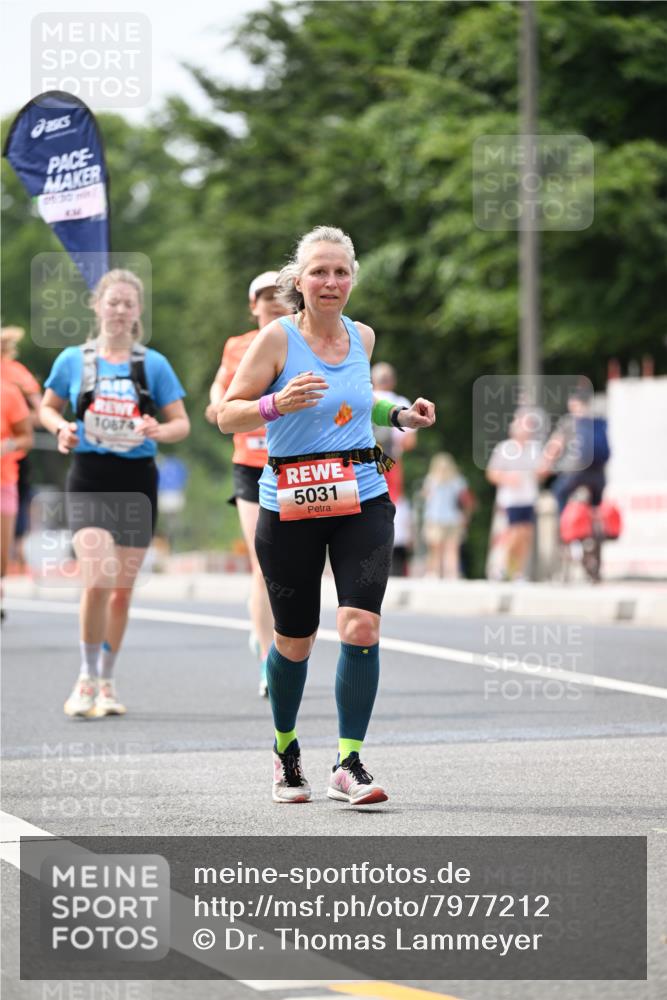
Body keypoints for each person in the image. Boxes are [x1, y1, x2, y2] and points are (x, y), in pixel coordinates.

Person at [217, 225, 435, 805]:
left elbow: (358, 403)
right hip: (290, 500)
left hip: (361, 494)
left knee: (360, 625)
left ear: (352, 279)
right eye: (319, 271)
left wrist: (401, 414)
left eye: (341, 272)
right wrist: (276, 403)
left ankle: (348, 761)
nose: (330, 281)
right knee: (295, 639)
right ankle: (286, 750)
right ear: (299, 280)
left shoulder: (362, 336)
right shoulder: (276, 339)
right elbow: (227, 414)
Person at [40, 269, 190, 718]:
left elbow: (181, 424)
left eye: (128, 303)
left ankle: (106, 679)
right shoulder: (74, 360)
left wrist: (158, 430)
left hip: (137, 480)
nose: (120, 310)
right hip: (89, 477)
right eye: (113, 302)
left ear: (138, 311)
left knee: (122, 592)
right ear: (97, 306)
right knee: (97, 579)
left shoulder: (152, 364)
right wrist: (62, 428)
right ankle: (85, 677)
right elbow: (47, 409)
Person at [206, 272, 288, 696]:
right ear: (253, 305)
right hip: (252, 465)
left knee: (295, 564)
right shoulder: (237, 346)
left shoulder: (300, 341)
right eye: (265, 296)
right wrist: (216, 405)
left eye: (280, 294)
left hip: (294, 464)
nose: (273, 301)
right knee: (263, 562)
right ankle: (268, 661)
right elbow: (220, 386)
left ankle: (278, 637)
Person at [1, 327, 43, 568]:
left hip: (10, 457)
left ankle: (15, 553)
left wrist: (17, 419)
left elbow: (41, 412)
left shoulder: (16, 374)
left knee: (15, 506)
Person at [486, 408, 543, 581]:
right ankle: (501, 567)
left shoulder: (535, 449)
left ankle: (518, 572)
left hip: (528, 498)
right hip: (510, 500)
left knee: (525, 536)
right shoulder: (504, 448)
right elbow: (492, 473)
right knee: (512, 534)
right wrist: (507, 478)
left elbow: (541, 473)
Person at [540, 386, 609, 512]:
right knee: (596, 505)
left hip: (576, 470)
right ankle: (596, 522)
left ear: (573, 402)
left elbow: (555, 445)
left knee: (559, 493)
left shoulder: (570, 421)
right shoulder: (598, 419)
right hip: (598, 471)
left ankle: (565, 521)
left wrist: (546, 464)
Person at [1, 377, 33, 619]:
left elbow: (27, 438)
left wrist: (7, 445)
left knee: (2, 556)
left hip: (3, 480)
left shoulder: (8, 392)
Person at [421, 453, 468, 579]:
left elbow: (426, 497)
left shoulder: (431, 479)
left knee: (436, 549)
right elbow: (463, 500)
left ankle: (434, 572)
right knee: (450, 548)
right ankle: (451, 573)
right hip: (451, 518)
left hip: (436, 518)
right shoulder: (458, 480)